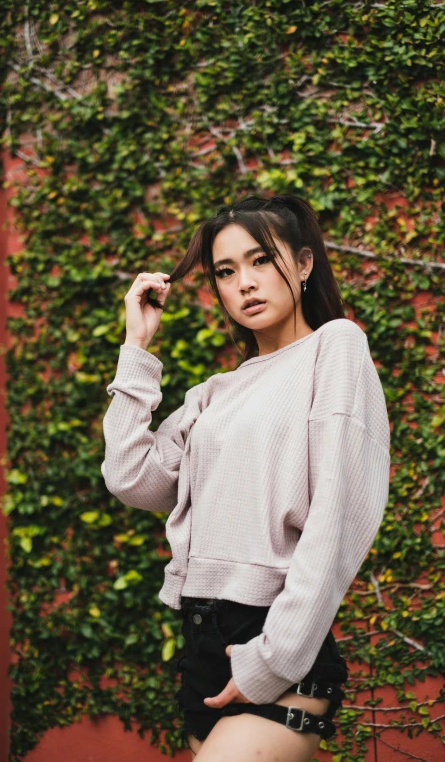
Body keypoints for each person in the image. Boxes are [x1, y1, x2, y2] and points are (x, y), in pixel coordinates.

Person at [101, 195, 391, 762]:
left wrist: (275, 656)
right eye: (226, 272)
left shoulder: (337, 348)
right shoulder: (214, 393)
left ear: (303, 264)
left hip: (272, 637)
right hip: (202, 636)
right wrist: (136, 348)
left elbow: (337, 517)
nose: (245, 284)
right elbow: (131, 477)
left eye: (261, 260)